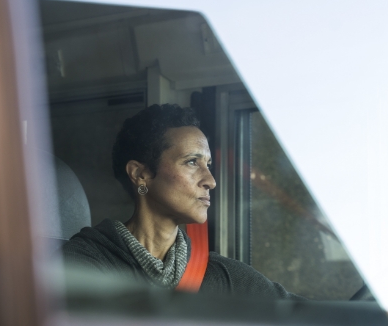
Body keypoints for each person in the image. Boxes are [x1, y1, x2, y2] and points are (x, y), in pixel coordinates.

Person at [63, 104, 303, 300]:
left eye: (207, 165)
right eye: (191, 162)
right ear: (140, 174)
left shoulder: (223, 276)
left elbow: (305, 318)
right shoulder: (82, 267)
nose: (210, 181)